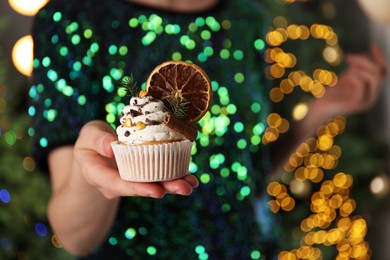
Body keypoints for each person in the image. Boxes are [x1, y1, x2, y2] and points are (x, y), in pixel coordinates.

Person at [29, 0, 387, 259]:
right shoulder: (72, 18)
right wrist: (98, 173)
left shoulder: (246, 18)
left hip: (250, 249)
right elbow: (75, 238)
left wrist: (320, 111)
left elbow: (247, 171)